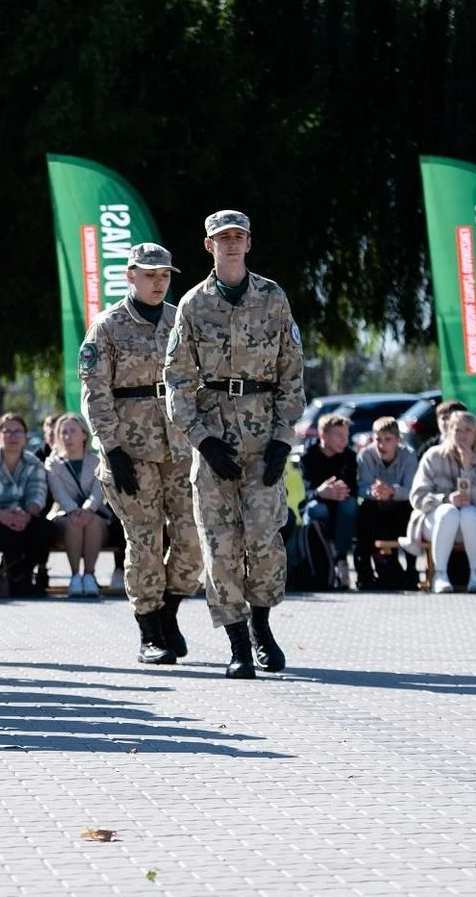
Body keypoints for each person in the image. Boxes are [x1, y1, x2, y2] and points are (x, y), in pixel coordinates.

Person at [164, 211, 305, 678]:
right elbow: (178, 381)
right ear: (208, 246)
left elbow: (291, 372)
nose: (230, 244)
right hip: (214, 441)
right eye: (221, 238)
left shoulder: (272, 297)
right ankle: (238, 644)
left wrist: (284, 440)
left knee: (265, 540)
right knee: (219, 546)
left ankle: (263, 627)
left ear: (249, 244)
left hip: (264, 436)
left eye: (238, 237)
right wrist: (202, 440)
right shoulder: (191, 305)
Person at [80, 242, 202, 664]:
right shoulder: (108, 326)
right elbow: (94, 391)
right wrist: (110, 448)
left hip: (180, 448)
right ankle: (150, 630)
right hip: (130, 450)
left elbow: (196, 382)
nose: (158, 282)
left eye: (165, 275)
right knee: (145, 541)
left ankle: (169, 612)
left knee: (192, 540)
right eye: (150, 275)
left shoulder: (179, 320)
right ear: (130, 275)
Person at [406, 411, 476, 594]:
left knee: (470, 513)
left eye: (468, 431)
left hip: (470, 524)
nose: (462, 435)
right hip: (434, 520)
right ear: (449, 432)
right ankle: (440, 574)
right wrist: (445, 499)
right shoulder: (433, 457)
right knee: (449, 512)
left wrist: (468, 468)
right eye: (458, 430)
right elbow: (417, 496)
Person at [0, 412, 53, 593]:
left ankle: (26, 573)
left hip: (23, 518)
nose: (13, 436)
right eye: (8, 431)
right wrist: (2, 515)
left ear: (25, 436)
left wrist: (28, 515)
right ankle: (15, 578)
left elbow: (37, 495)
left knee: (42, 528)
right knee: (8, 530)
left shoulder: (34, 463)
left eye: (18, 432)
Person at [44, 413, 119, 597]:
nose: (67, 437)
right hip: (63, 515)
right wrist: (73, 511)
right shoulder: (53, 464)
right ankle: (75, 575)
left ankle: (89, 575)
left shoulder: (98, 462)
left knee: (91, 521)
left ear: (84, 435)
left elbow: (98, 492)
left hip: (94, 515)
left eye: (73, 431)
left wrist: (87, 510)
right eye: (63, 432)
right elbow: (58, 493)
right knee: (73, 523)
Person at [353, 416, 418, 590]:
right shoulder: (365, 455)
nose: (382, 445)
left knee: (410, 511)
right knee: (366, 511)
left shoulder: (409, 455)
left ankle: (412, 569)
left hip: (400, 504)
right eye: (378, 439)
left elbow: (412, 489)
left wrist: (392, 491)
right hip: (376, 504)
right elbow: (362, 487)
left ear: (398, 440)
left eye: (388, 439)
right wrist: (375, 491)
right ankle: (364, 570)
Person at [298, 412, 358, 588]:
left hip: (340, 506)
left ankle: (340, 559)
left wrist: (340, 492)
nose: (344, 440)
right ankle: (320, 560)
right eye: (339, 435)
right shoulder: (309, 457)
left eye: (346, 435)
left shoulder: (349, 456)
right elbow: (308, 493)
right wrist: (321, 492)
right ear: (323, 435)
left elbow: (353, 489)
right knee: (318, 509)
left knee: (350, 505)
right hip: (319, 506)